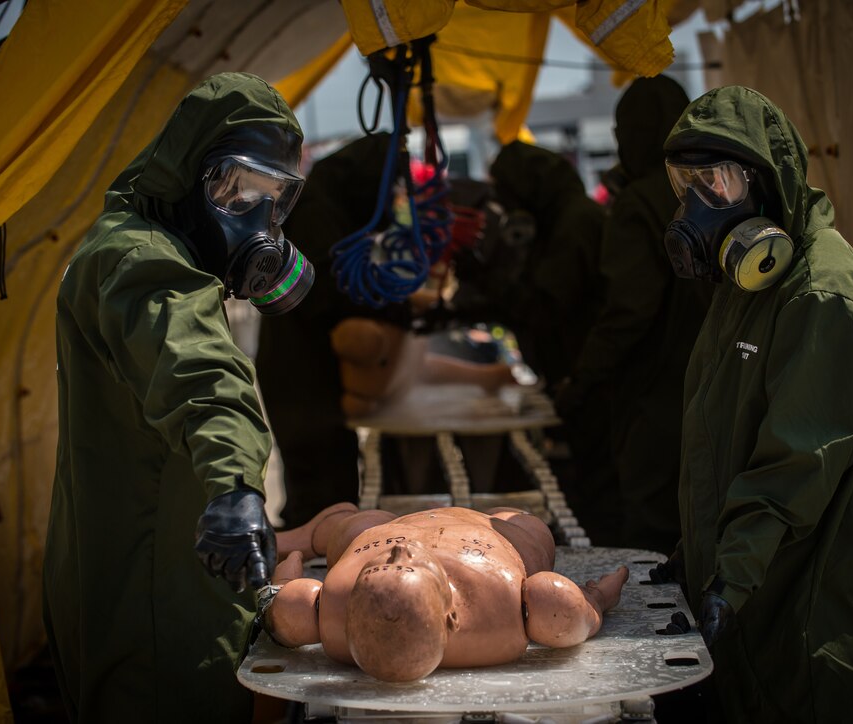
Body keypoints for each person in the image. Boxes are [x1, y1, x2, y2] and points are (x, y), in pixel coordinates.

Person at [44, 72, 309, 723]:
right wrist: (236, 488)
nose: (255, 220)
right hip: (154, 604)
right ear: (187, 172)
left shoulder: (158, 253)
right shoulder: (138, 262)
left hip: (166, 568)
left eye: (273, 200)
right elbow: (201, 376)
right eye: (238, 189)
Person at [652, 85, 853, 723]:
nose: (698, 203)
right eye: (687, 182)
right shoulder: (747, 282)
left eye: (716, 181)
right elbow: (724, 435)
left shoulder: (820, 291)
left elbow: (797, 463)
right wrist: (694, 556)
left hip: (803, 626)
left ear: (767, 182)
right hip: (746, 596)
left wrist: (728, 581)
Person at [554, 75, 711, 552]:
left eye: (624, 131)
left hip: (658, 396)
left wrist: (579, 384)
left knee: (655, 537)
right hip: (716, 385)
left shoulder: (639, 202)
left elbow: (629, 310)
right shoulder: (712, 190)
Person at [262, 503, 630, 682]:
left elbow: (281, 599)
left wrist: (291, 559)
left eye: (378, 567)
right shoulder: (506, 609)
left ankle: (295, 536)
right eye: (410, 567)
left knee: (355, 521)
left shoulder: (331, 608)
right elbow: (579, 608)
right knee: (525, 524)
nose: (398, 552)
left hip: (387, 524)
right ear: (452, 615)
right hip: (491, 528)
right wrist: (597, 598)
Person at [255, 133, 418, 528]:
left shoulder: (328, 204)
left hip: (307, 370)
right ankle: (306, 579)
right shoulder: (317, 211)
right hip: (299, 374)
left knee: (331, 487)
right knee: (320, 498)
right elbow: (331, 293)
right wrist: (395, 304)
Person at [483, 142, 612, 527]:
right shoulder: (560, 220)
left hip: (590, 378)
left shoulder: (574, 223)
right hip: (577, 372)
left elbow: (546, 306)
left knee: (599, 483)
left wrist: (490, 280)